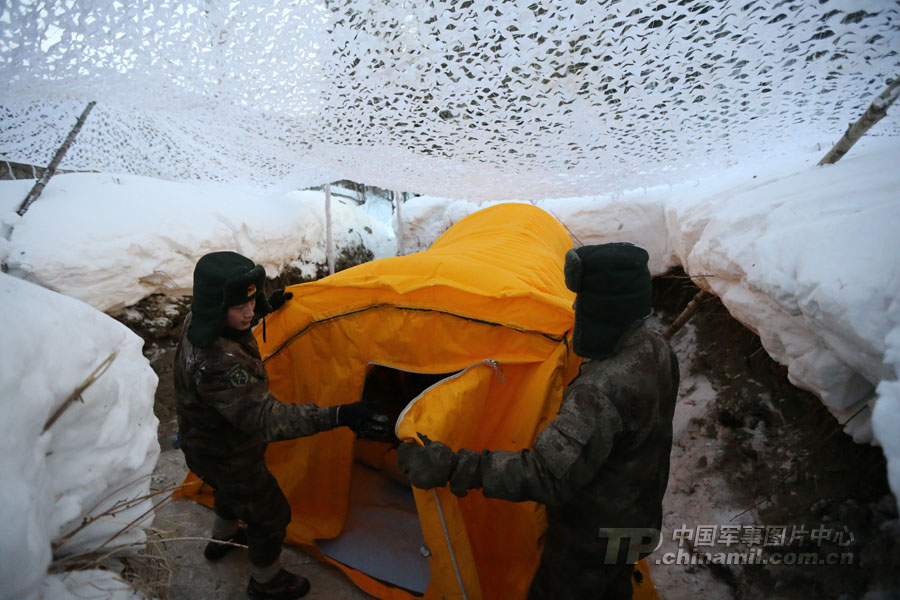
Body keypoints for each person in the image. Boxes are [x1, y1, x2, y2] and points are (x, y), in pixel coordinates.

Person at [397, 243, 679, 599]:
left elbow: (546, 476)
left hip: (586, 546)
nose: (575, 308)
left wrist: (453, 466)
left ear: (607, 307)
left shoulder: (599, 389)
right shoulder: (658, 350)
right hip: (634, 525)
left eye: (584, 300)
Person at [174, 251, 388, 600]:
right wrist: (339, 415)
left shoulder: (197, 320)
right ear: (217, 305)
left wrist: (264, 307)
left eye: (251, 302)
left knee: (228, 491)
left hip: (204, 447)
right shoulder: (219, 363)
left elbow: (234, 315)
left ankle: (222, 538)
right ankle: (266, 581)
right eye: (239, 306)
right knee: (271, 516)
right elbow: (267, 419)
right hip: (227, 454)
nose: (248, 312)